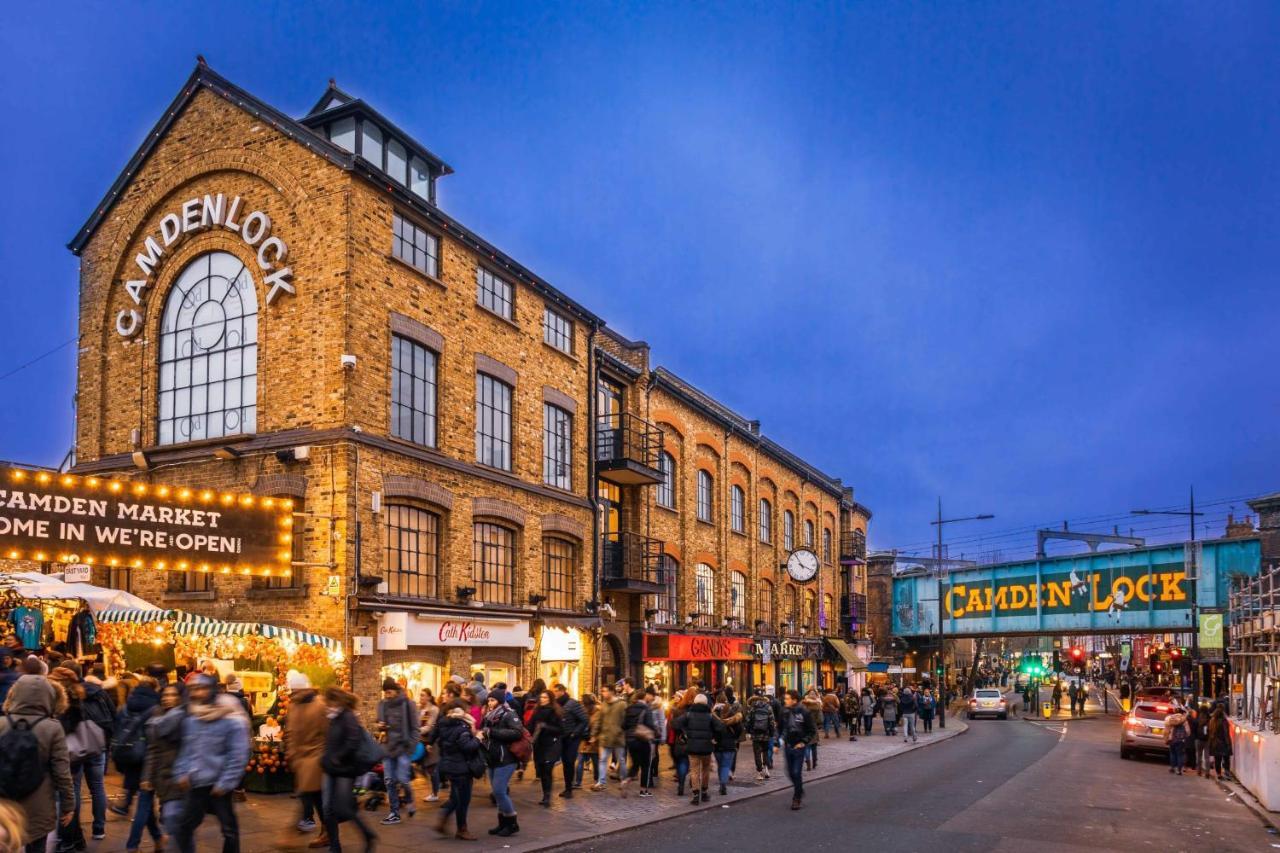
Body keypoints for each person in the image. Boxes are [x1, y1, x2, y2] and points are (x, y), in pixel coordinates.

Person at [171, 673, 250, 853]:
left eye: (203, 688)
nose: (198, 693)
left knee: (229, 831)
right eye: (194, 689)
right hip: (196, 784)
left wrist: (225, 783)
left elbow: (238, 754)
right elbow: (186, 750)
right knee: (184, 827)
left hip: (218, 787)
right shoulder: (191, 719)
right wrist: (182, 773)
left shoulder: (231, 720)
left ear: (212, 690)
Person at [0, 674, 74, 853]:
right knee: (37, 847)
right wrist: (68, 805)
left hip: (5, 804)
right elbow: (62, 771)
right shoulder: (52, 727)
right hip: (39, 802)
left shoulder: (1, 723)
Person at [318, 687, 376, 853]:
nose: (326, 705)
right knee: (327, 807)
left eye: (327, 702)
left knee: (344, 808)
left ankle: (368, 835)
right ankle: (335, 846)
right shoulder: (334, 717)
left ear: (335, 701)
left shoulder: (348, 716)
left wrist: (337, 756)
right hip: (331, 768)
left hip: (345, 769)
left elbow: (352, 741)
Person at [131, 682, 184, 853]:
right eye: (165, 695)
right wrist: (147, 777)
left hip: (182, 777)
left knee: (172, 818)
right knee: (165, 817)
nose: (168, 699)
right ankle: (160, 841)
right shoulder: (156, 718)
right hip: (163, 776)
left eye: (173, 695)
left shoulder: (187, 720)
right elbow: (152, 750)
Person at [283, 670, 328, 845]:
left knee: (310, 796)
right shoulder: (293, 705)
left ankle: (294, 835)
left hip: (316, 759)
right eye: (292, 692)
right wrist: (292, 753)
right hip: (301, 759)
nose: (294, 695)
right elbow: (291, 732)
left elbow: (327, 733)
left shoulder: (320, 705)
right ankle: (325, 829)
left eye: (296, 691)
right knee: (312, 797)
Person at [109, 675, 160, 819]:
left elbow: (117, 724)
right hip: (147, 749)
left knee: (132, 777)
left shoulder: (126, 705)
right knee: (144, 785)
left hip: (128, 747)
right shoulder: (155, 704)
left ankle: (125, 806)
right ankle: (144, 814)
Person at [431, 704, 483, 840]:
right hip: (461, 768)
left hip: (448, 765)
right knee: (463, 800)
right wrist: (478, 738)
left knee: (455, 797)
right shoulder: (462, 729)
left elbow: (435, 737)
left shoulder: (444, 725)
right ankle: (462, 829)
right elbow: (468, 747)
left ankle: (443, 821)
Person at [480, 693, 523, 838]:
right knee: (498, 792)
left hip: (506, 759)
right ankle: (502, 823)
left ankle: (512, 823)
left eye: (492, 700)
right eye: (489, 700)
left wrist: (492, 732)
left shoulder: (509, 713)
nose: (490, 703)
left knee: (499, 791)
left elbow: (517, 732)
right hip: (493, 758)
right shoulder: (489, 714)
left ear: (499, 701)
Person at [375, 677, 417, 824]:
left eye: (389, 692)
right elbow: (380, 723)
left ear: (396, 690)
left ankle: (410, 800)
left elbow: (415, 728)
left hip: (403, 748)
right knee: (389, 781)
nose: (387, 695)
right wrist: (381, 726)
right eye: (385, 692)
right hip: (388, 748)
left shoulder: (408, 704)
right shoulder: (382, 704)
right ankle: (394, 812)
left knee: (403, 779)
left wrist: (410, 748)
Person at [673, 693, 723, 804]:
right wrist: (714, 738)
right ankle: (704, 792)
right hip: (706, 747)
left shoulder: (689, 714)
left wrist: (684, 734)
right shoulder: (710, 715)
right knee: (705, 770)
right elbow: (720, 727)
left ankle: (696, 794)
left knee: (694, 770)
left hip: (692, 747)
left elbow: (675, 724)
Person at [778, 689, 816, 811]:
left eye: (787, 699)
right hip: (788, 746)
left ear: (794, 700)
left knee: (796, 772)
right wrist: (775, 743)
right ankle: (799, 789)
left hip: (799, 747)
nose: (785, 701)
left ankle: (797, 798)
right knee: (789, 772)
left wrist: (803, 742)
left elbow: (812, 730)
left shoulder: (804, 712)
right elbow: (779, 728)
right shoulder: (783, 712)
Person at [528, 690, 563, 806]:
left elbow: (560, 729)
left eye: (545, 698)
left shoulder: (555, 712)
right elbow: (530, 726)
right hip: (539, 745)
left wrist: (546, 727)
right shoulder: (536, 711)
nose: (542, 700)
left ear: (550, 699)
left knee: (548, 770)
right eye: (541, 697)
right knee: (542, 771)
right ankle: (545, 795)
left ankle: (547, 796)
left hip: (551, 744)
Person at [552, 683, 588, 798]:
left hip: (572, 738)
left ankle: (569, 789)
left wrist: (574, 733)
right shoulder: (556, 704)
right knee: (565, 763)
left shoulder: (572, 703)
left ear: (562, 691)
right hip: (562, 737)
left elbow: (584, 719)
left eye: (556, 691)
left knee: (569, 762)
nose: (555, 694)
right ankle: (568, 787)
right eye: (554, 691)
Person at [589, 682, 626, 792]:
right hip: (605, 737)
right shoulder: (604, 704)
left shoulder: (622, 704)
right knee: (603, 760)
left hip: (618, 738)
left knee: (621, 760)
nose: (603, 693)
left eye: (604, 691)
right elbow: (599, 720)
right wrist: (594, 734)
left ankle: (624, 780)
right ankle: (601, 782)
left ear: (611, 691)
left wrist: (621, 731)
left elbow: (626, 721)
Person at [621, 689, 655, 797]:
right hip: (643, 739)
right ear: (644, 698)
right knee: (645, 765)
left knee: (635, 764)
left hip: (630, 741)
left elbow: (623, 725)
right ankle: (643, 790)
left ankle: (626, 780)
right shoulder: (646, 708)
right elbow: (650, 724)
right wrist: (655, 733)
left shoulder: (629, 708)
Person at [417, 688, 441, 802]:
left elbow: (430, 726)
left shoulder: (434, 709)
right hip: (421, 741)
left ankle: (435, 793)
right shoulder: (419, 709)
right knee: (423, 766)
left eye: (423, 695)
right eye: (420, 695)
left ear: (429, 697)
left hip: (431, 742)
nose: (420, 697)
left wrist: (416, 731)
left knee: (432, 767)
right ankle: (434, 789)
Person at [746, 688, 776, 781]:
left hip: (755, 734)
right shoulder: (768, 707)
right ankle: (766, 769)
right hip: (766, 733)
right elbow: (771, 721)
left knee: (757, 753)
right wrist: (772, 733)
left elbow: (748, 720)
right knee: (765, 752)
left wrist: (748, 731)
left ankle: (759, 772)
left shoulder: (752, 707)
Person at [711, 702, 740, 797]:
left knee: (720, 765)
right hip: (729, 745)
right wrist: (734, 737)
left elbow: (711, 729)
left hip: (717, 745)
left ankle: (722, 783)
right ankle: (723, 784)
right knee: (725, 766)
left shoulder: (714, 717)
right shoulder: (734, 716)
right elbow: (739, 730)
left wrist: (713, 738)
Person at [574, 693, 599, 788]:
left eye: (584, 705)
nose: (583, 707)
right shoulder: (583, 712)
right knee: (579, 761)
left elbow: (597, 726)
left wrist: (593, 737)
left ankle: (597, 780)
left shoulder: (597, 712)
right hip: (584, 740)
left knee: (595, 762)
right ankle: (578, 782)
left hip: (594, 741)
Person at [645, 688, 666, 789]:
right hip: (646, 734)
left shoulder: (658, 705)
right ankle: (651, 775)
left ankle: (651, 777)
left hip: (654, 734)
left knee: (652, 755)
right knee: (651, 755)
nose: (646, 696)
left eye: (647, 694)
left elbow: (662, 721)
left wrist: (663, 736)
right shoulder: (645, 704)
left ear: (652, 695)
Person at [1207, 705, 1232, 781]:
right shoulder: (1224, 722)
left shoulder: (1212, 721)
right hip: (1223, 743)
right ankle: (1227, 772)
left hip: (1215, 743)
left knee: (1217, 759)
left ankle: (1219, 774)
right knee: (1226, 759)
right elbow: (1226, 734)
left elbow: (1209, 732)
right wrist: (1229, 744)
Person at [1163, 706, 1190, 775]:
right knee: (1180, 755)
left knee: (1172, 754)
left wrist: (1166, 739)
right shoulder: (1184, 720)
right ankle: (1179, 770)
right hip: (1180, 740)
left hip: (1172, 739)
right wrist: (1185, 737)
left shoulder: (1170, 719)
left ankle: (1172, 768)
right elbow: (1188, 732)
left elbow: (1166, 730)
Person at [801, 690, 822, 769]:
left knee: (807, 745)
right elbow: (820, 718)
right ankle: (814, 762)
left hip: (804, 727)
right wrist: (818, 724)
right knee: (814, 746)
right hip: (813, 727)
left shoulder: (803, 704)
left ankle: (808, 762)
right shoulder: (817, 704)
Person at [1190, 705, 1210, 777]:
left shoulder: (1197, 720)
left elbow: (1193, 730)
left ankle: (1199, 771)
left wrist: (1196, 737)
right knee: (1207, 756)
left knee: (1199, 755)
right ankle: (1207, 772)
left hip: (1198, 739)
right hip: (1207, 740)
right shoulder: (1209, 719)